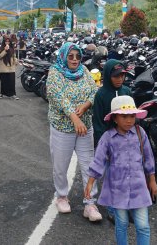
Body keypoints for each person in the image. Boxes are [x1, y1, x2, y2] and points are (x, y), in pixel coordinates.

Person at [85, 95, 157, 245]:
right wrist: (90, 182)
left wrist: (152, 180)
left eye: (132, 116)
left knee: (143, 226)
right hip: (118, 189)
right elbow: (98, 160)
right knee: (122, 224)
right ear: (115, 118)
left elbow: (149, 158)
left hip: (139, 188)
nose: (129, 120)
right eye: (124, 116)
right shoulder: (108, 137)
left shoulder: (140, 133)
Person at [46, 42, 101, 221]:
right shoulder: (55, 72)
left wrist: (85, 106)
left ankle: (90, 203)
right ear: (64, 57)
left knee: (88, 164)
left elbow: (94, 91)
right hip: (63, 128)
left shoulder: (84, 71)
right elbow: (57, 96)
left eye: (78, 56)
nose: (75, 60)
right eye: (71, 56)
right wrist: (74, 117)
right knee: (60, 166)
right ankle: (62, 196)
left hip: (85, 126)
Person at [92, 60, 132, 147]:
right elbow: (98, 123)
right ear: (107, 76)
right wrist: (102, 145)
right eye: (116, 76)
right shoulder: (100, 95)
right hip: (109, 140)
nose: (120, 79)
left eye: (122, 75)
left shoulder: (127, 91)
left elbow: (133, 115)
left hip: (127, 138)